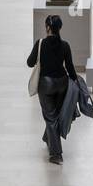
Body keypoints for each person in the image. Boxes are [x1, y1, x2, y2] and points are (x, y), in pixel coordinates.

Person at [27, 15, 77, 165]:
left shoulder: (40, 43)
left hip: (46, 84)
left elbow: (29, 63)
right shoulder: (65, 45)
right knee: (55, 114)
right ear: (59, 28)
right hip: (62, 83)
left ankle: (56, 154)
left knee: (50, 117)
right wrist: (76, 82)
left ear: (48, 27)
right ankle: (47, 137)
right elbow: (70, 69)